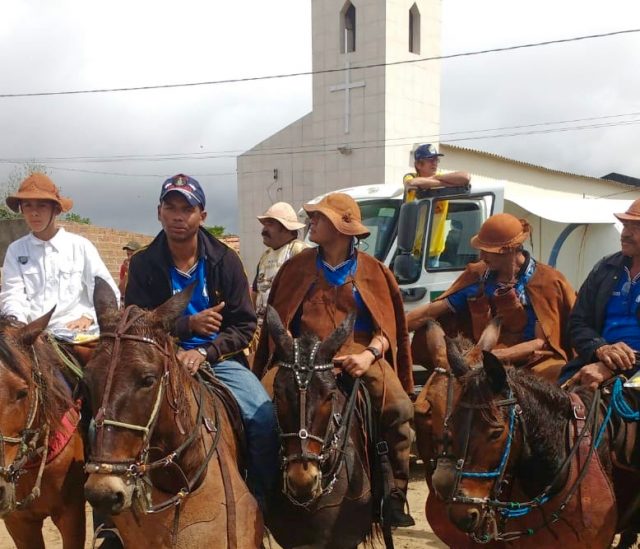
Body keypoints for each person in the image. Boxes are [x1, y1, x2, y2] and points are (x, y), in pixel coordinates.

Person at [254, 192, 416, 527]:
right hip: (303, 360)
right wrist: (293, 356)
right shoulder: (296, 267)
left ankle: (394, 494)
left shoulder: (375, 272)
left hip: (359, 356)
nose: (311, 221)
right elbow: (281, 323)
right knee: (261, 405)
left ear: (343, 228)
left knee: (398, 407)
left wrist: (369, 355)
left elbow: (388, 329)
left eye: (320, 218)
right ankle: (260, 488)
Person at [124, 173, 278, 510]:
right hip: (158, 359)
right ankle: (112, 520)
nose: (179, 216)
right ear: (159, 212)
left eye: (187, 209)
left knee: (263, 418)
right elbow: (135, 323)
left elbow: (244, 324)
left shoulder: (225, 260)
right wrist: (185, 326)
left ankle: (262, 502)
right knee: (106, 420)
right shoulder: (143, 264)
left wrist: (204, 351)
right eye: (171, 207)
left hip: (219, 359)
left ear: (202, 216)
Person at [407, 213, 576, 381]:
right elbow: (429, 312)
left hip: (531, 363)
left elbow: (540, 342)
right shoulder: (477, 276)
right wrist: (393, 331)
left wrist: (496, 356)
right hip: (481, 360)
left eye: (489, 252)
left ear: (510, 250)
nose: (482, 257)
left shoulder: (547, 282)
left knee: (555, 373)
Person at [1, 173, 119, 331]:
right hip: (32, 336)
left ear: (56, 210)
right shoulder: (16, 250)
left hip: (76, 334)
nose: (34, 212)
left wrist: (88, 316)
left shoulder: (80, 246)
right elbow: (12, 294)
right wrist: (19, 325)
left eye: (41, 205)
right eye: (27, 205)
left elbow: (109, 293)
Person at [560, 199, 640, 388]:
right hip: (596, 360)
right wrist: (600, 348)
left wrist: (616, 368)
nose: (625, 234)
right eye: (625, 225)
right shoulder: (605, 268)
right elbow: (577, 322)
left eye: (635, 227)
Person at [403, 144, 471, 266]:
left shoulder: (440, 175)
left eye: (436, 160)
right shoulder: (410, 176)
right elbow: (412, 182)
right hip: (411, 252)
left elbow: (465, 177)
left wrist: (435, 178)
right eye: (430, 160)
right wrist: (445, 183)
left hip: (433, 253)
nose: (434, 163)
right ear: (418, 164)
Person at [252, 202, 308, 325]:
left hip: (286, 328)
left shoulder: (299, 252)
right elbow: (256, 292)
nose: (264, 230)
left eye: (270, 224)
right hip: (262, 327)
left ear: (286, 228)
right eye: (264, 224)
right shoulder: (265, 256)